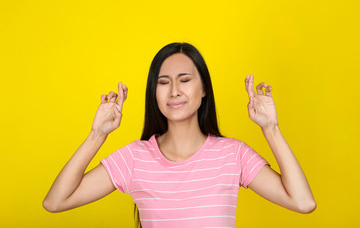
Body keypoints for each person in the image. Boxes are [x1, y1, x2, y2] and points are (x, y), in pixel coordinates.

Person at [43, 42, 316, 227]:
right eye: (163, 82)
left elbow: (303, 202)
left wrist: (270, 128)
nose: (174, 90)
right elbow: (55, 202)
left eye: (185, 80)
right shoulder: (135, 158)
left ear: (204, 89)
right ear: (155, 93)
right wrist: (96, 135)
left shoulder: (233, 155)